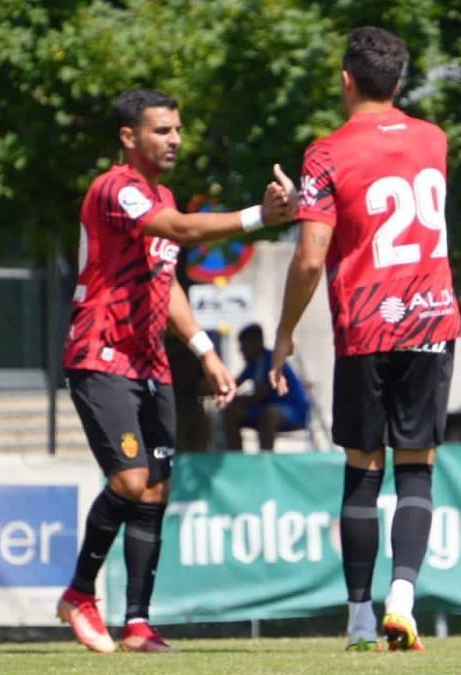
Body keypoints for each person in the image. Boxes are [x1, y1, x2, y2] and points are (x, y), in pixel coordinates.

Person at [57, 88, 296, 653]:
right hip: (100, 353)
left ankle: (137, 622)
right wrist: (261, 215)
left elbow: (167, 287)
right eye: (162, 130)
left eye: (178, 129)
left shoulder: (158, 195)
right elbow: (185, 232)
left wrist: (205, 352)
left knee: (155, 490)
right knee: (129, 480)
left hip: (150, 362)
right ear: (128, 137)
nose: (175, 140)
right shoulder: (116, 190)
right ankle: (79, 593)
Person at [269, 27, 461, 652]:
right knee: (417, 469)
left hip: (367, 325)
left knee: (361, 469)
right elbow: (387, 193)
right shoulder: (434, 140)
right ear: (400, 82)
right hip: (432, 319)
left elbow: (309, 259)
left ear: (345, 80)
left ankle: (359, 617)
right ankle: (402, 599)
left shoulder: (325, 154)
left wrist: (284, 333)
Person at [223, 323, 310, 451]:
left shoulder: (270, 360)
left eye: (243, 346)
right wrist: (220, 389)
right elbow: (234, 385)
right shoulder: (253, 364)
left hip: (292, 411)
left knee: (269, 414)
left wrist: (234, 399)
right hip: (263, 409)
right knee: (230, 413)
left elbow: (259, 395)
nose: (240, 350)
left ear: (257, 342)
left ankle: (265, 459)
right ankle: (237, 459)